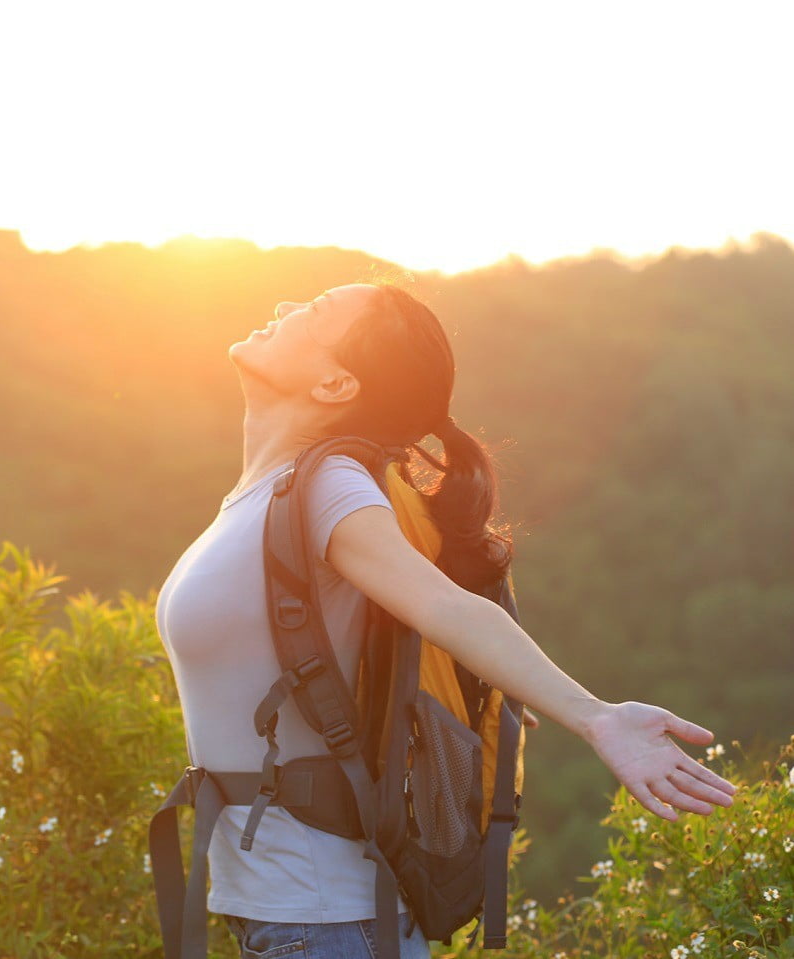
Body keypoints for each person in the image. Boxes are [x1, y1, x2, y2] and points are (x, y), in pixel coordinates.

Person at [153, 282, 739, 959]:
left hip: (326, 923)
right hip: (289, 917)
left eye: (311, 314)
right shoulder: (265, 493)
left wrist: (595, 715)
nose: (283, 308)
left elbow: (442, 604)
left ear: (337, 382)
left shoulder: (328, 486)